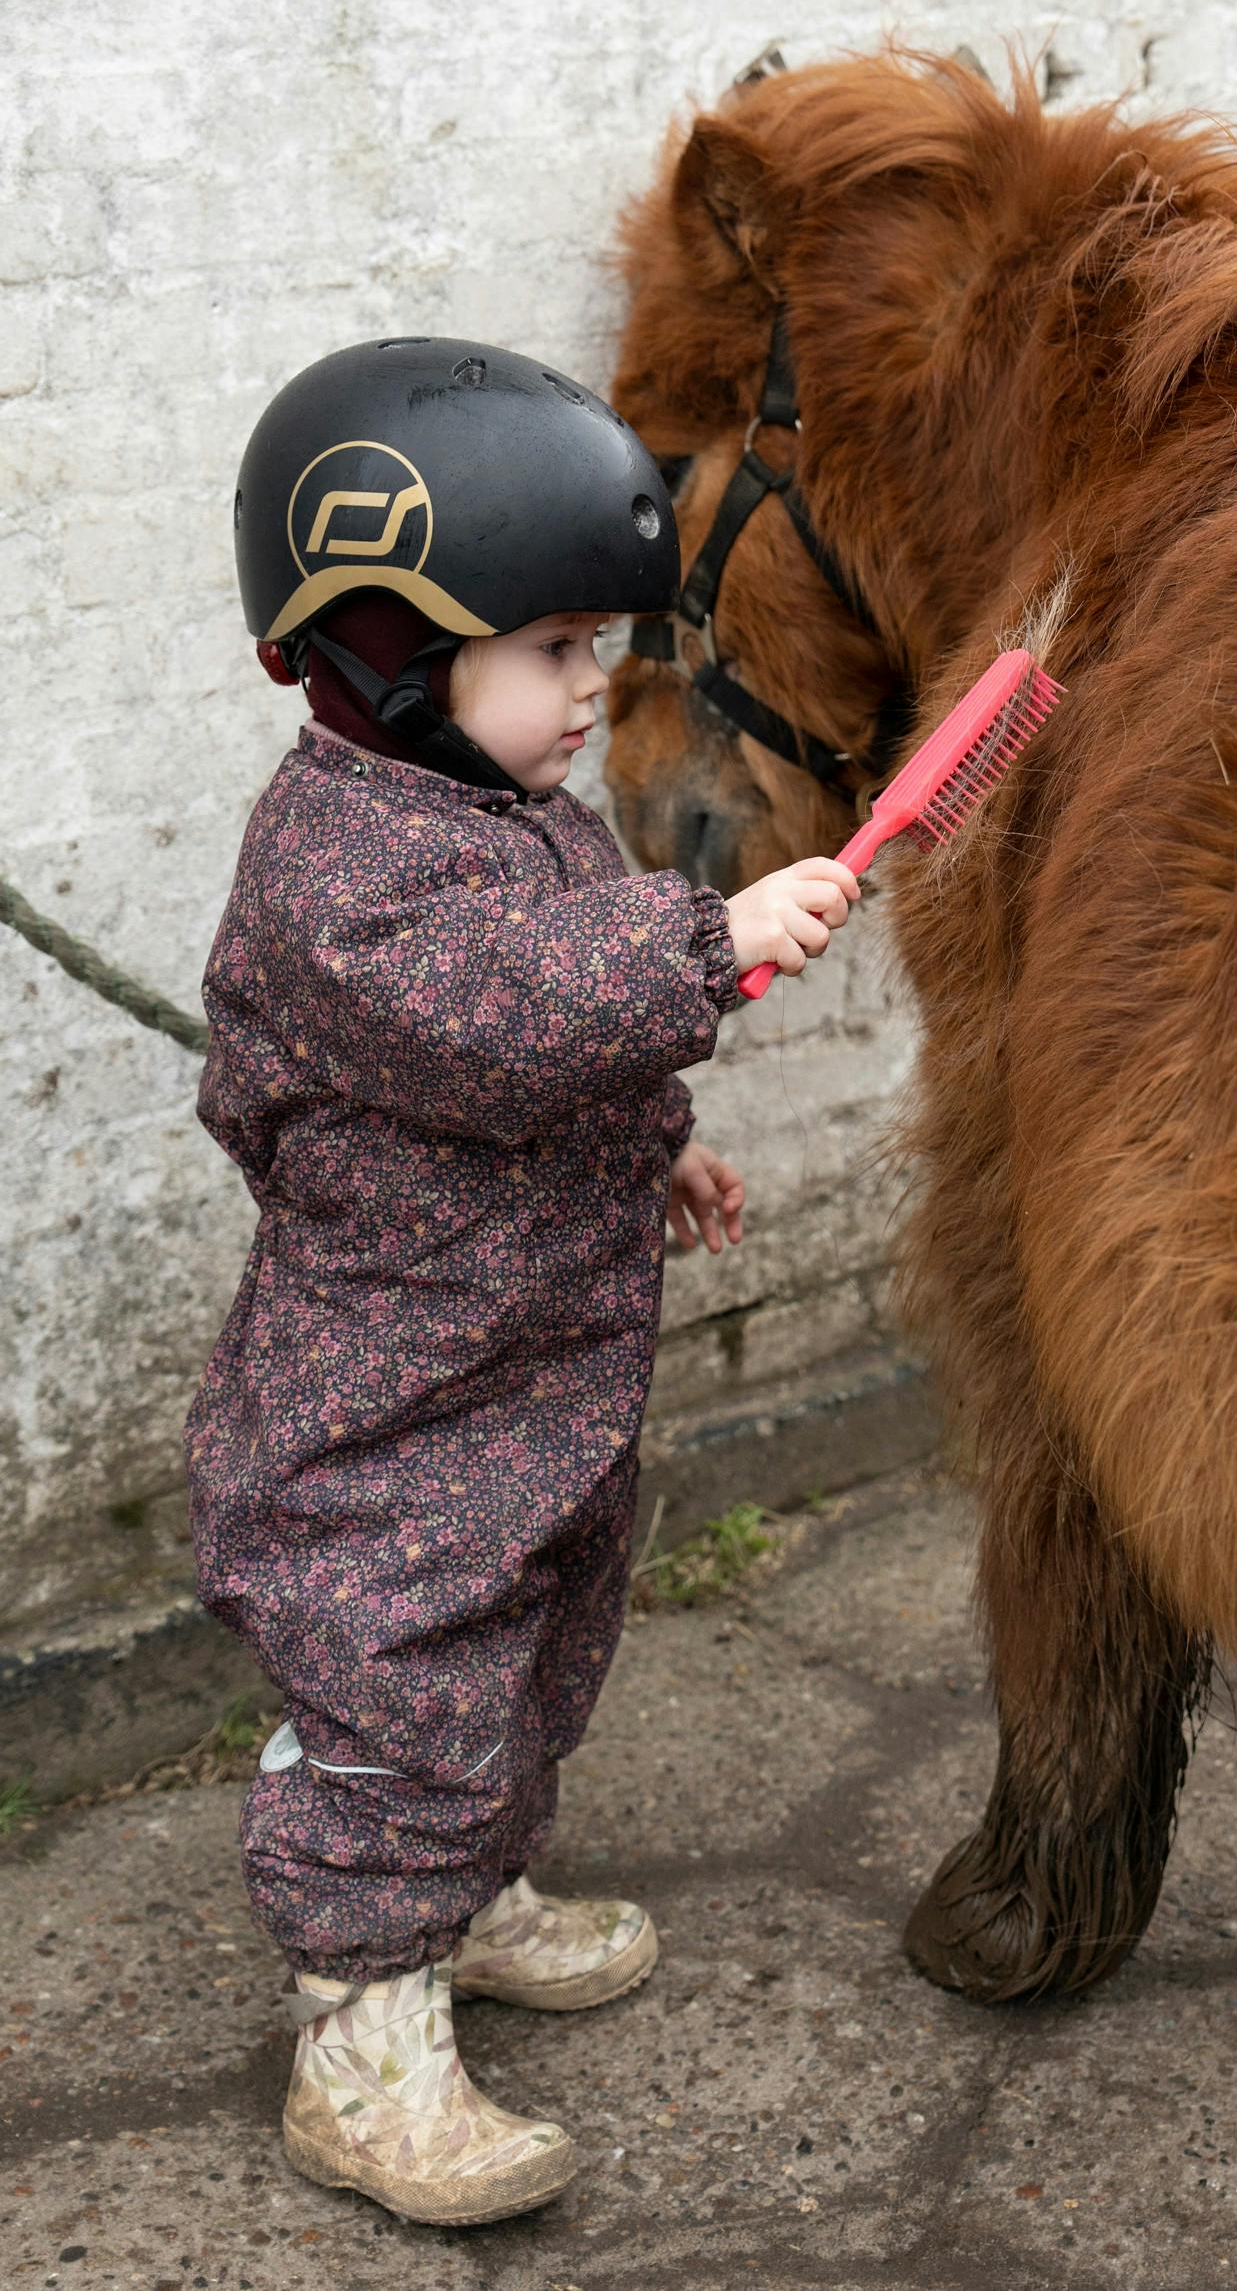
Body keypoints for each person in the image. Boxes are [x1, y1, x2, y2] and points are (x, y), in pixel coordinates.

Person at [185, 336, 861, 2227]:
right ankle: (360, 2051)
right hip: (387, 1425)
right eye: (556, 649)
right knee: (402, 1703)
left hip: (532, 1397)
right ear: (385, 644)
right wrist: (710, 944)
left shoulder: (514, 820)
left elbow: (556, 1073)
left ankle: (467, 1900)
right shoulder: (338, 872)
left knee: (528, 1662)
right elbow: (501, 1020)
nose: (597, 689)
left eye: (599, 646)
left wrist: (657, 1148)